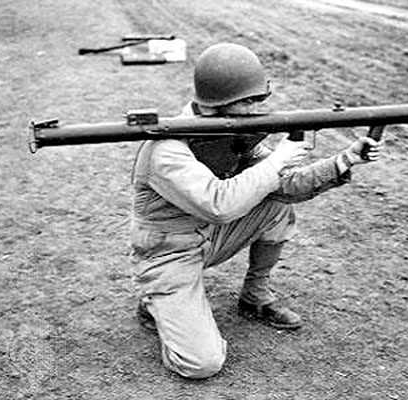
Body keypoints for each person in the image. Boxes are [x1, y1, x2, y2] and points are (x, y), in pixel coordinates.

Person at [130, 42, 382, 379]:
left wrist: (345, 159)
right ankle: (156, 304)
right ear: (219, 102)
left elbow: (287, 187)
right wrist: (276, 160)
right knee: (202, 364)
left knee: (275, 204)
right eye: (248, 101)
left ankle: (255, 295)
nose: (256, 109)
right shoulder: (167, 149)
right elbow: (219, 204)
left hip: (210, 239)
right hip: (168, 255)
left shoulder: (229, 131)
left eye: (258, 100)